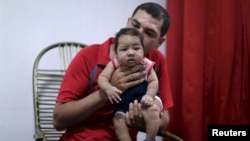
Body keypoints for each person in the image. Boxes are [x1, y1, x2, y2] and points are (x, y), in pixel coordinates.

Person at [53, 2, 173, 141]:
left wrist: (140, 120)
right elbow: (58, 120)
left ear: (159, 42)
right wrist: (105, 92)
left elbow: (164, 120)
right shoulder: (89, 56)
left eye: (149, 32)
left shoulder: (155, 61)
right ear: (127, 23)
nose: (137, 35)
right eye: (135, 25)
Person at [98, 27, 160, 141]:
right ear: (116, 52)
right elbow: (102, 78)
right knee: (117, 121)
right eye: (124, 49)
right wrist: (108, 88)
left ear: (143, 50)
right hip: (124, 103)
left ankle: (150, 139)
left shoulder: (146, 64)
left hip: (145, 99)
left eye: (136, 48)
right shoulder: (114, 63)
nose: (131, 52)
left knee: (153, 111)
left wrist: (149, 96)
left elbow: (154, 81)